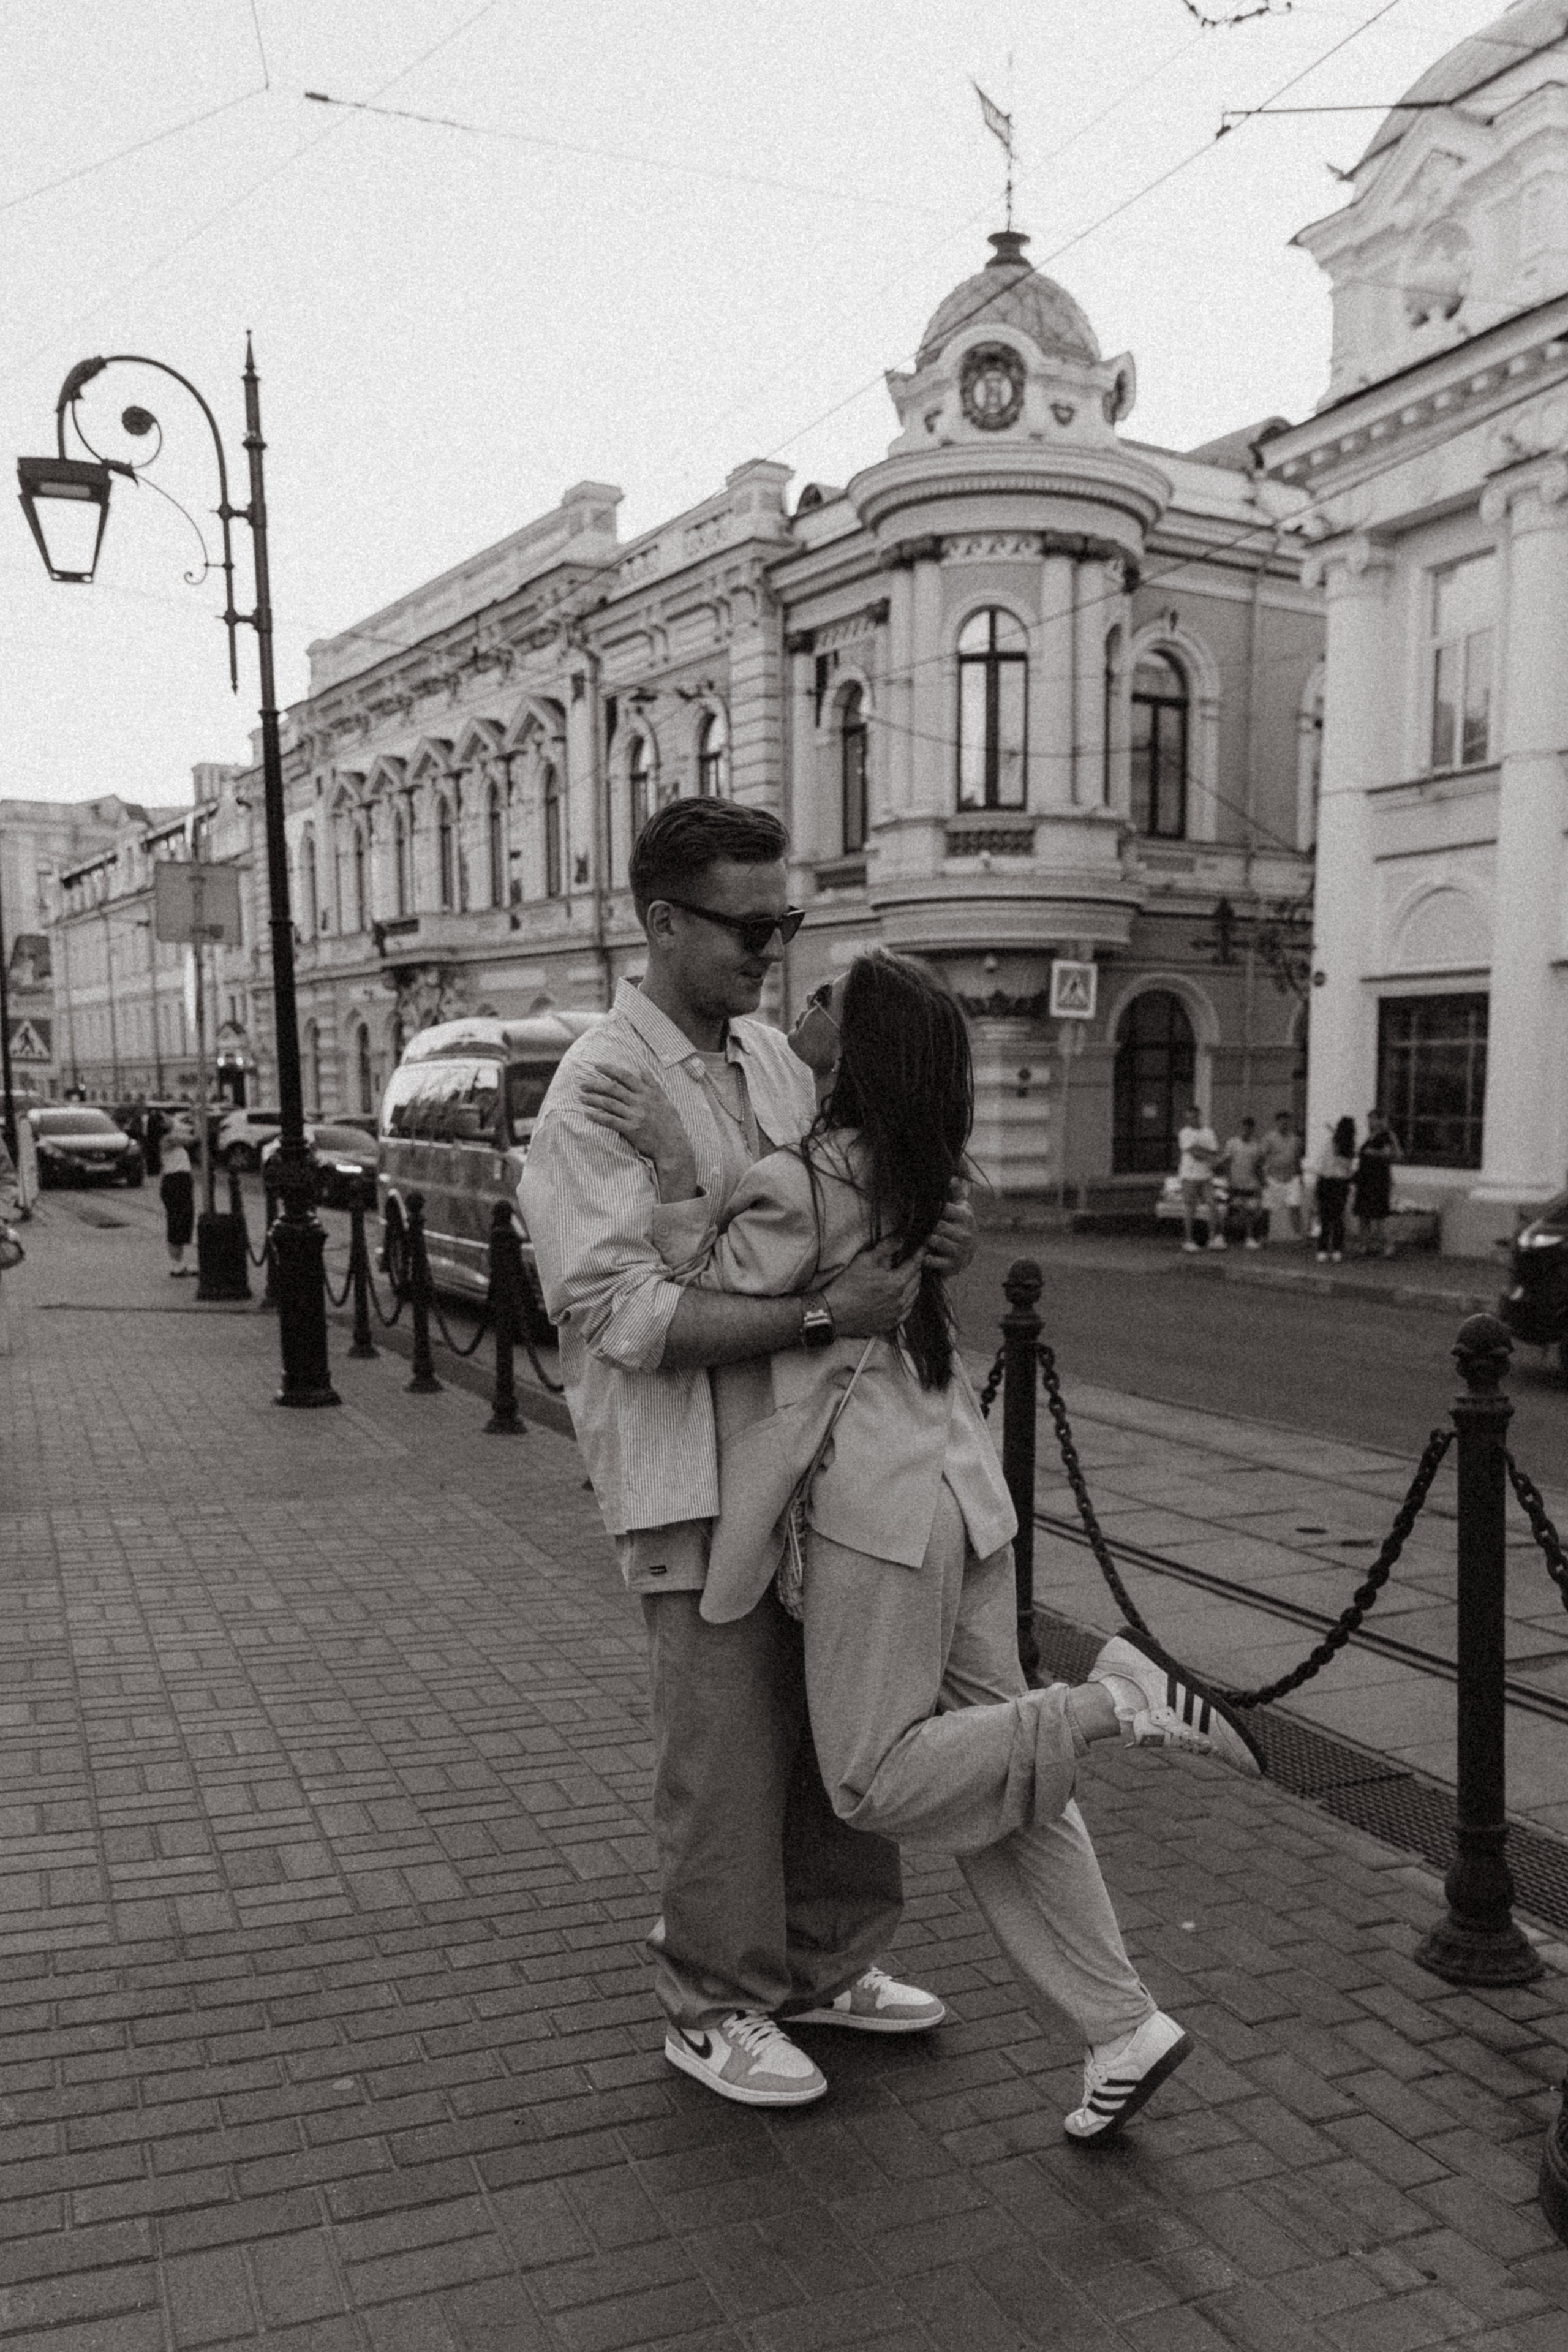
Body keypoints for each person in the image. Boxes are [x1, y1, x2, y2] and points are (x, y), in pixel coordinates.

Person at [591, 949, 1264, 2146]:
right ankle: (1119, 2025)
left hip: (877, 1516)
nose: (797, 1008)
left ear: (854, 1054)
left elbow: (684, 1294)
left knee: (872, 1775)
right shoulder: (921, 1173)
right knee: (1004, 1785)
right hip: (963, 1496)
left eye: (823, 1004)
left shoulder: (801, 1186)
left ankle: (1111, 1701)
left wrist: (676, 1164)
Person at [521, 800, 973, 2113]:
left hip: (811, 1458)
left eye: (783, 922)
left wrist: (931, 1232)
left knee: (837, 1722)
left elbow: (860, 1185)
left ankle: (826, 1967)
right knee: (720, 1749)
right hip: (686, 1470)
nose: (771, 946)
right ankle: (712, 2002)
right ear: (662, 921)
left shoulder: (775, 1060)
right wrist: (834, 1311)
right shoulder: (601, 1085)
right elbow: (618, 1315)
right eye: (747, 924)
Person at [1354, 1110, 1403, 1258]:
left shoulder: (1386, 1136)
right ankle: (1364, 1244)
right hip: (1365, 1178)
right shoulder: (1370, 1136)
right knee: (1363, 1214)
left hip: (1378, 1179)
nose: (1370, 1123)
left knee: (1380, 1214)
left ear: (1380, 1120)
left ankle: (1388, 1245)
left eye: (1373, 1119)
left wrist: (1373, 1153)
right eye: (1369, 1119)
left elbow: (1392, 1154)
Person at [1216, 1115, 1267, 1250]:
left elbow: (1258, 1166)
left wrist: (1262, 1182)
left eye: (1250, 1128)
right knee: (1230, 1211)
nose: (1247, 1131)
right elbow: (1226, 1162)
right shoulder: (1232, 1144)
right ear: (1241, 1128)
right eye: (1245, 1128)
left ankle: (1250, 1238)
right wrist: (1228, 1179)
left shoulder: (1256, 1147)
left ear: (1253, 1130)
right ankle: (1221, 1237)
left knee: (1250, 1212)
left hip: (1250, 1184)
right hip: (1235, 1184)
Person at [1176, 1102, 1221, 1253]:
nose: (1191, 1121)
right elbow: (1193, 1152)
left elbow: (1214, 1151)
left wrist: (1204, 1153)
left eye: (1194, 1118)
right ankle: (1189, 1240)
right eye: (1189, 1119)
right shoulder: (1185, 1133)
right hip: (1189, 1175)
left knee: (1212, 1205)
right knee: (1190, 1208)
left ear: (1199, 1117)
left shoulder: (1209, 1132)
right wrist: (1207, 1154)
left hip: (1205, 1176)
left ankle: (1213, 1238)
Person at [1313, 1116, 1357, 1263]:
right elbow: (1348, 1169)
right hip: (1341, 1184)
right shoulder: (1350, 1147)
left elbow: (1323, 1164)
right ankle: (1337, 1250)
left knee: (1325, 1217)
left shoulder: (1331, 1143)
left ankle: (1323, 1249)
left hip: (1327, 1181)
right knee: (1338, 1218)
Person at [1259, 1109, 1304, 1245]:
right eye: (1281, 1122)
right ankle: (1263, 1236)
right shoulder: (1269, 1139)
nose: (1284, 1125)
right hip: (1273, 1178)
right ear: (1277, 1123)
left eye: (1286, 1122)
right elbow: (1261, 1158)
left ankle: (1299, 1236)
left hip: (1291, 1177)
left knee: (1295, 1206)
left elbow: (1298, 1159)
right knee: (1267, 1208)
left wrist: (1300, 1177)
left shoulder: (1295, 1140)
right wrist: (1262, 1178)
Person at [159, 1117, 196, 1276]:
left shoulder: (171, 1138)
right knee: (177, 1221)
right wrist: (199, 1116)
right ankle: (176, 1266)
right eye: (165, 1118)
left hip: (179, 1182)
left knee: (182, 1221)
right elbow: (195, 1139)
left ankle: (179, 1264)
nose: (170, 1119)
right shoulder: (169, 1139)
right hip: (176, 1183)